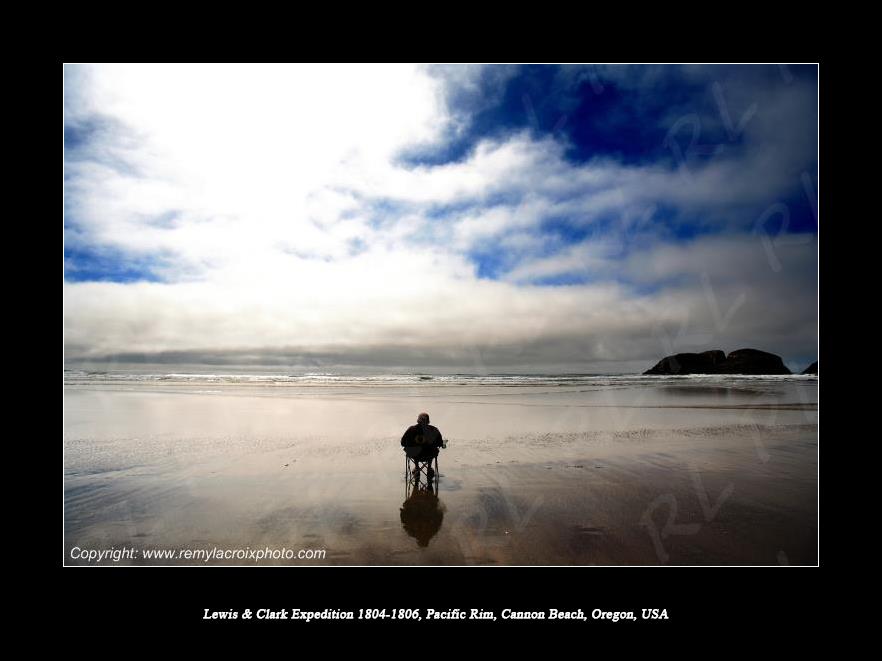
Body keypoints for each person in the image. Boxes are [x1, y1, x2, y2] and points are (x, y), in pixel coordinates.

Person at [401, 412, 444, 477]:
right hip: (429, 455)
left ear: (418, 420)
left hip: (415, 455)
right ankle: (429, 468)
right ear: (428, 421)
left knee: (414, 450)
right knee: (432, 450)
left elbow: (403, 443)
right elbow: (440, 443)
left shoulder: (411, 429)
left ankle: (417, 468)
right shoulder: (434, 429)